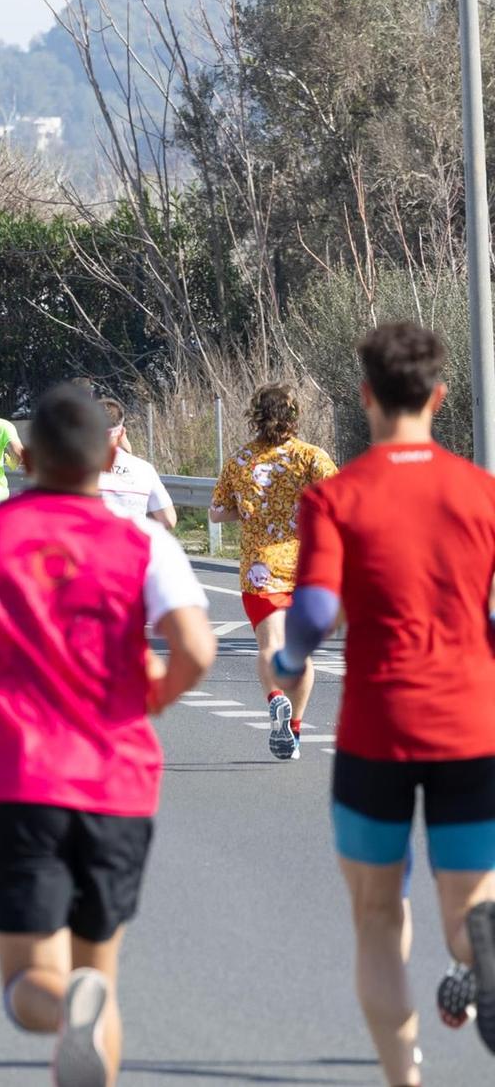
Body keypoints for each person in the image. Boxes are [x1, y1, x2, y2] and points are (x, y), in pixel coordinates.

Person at [0, 382, 215, 1087]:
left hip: (17, 780)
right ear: (109, 456)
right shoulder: (142, 541)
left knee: (28, 983)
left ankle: (64, 1003)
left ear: (29, 455)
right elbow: (196, 648)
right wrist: (151, 697)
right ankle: (84, 1001)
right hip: (118, 783)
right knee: (96, 970)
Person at [270, 324, 495, 1076]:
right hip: (473, 724)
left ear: (365, 396)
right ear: (438, 395)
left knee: (377, 917)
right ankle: (481, 948)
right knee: (468, 914)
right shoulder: (482, 492)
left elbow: (311, 612)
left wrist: (290, 657)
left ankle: (405, 1073)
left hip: (378, 731)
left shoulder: (336, 497)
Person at [207, 382, 337, 761]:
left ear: (256, 416)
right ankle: (294, 729)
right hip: (308, 564)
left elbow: (216, 511)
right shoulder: (312, 457)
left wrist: (248, 513)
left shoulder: (240, 460)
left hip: (260, 565)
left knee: (269, 645)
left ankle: (274, 698)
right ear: (294, 417)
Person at [96, 399, 176, 529]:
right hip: (130, 545)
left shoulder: (69, 468)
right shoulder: (144, 469)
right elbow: (168, 520)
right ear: (122, 433)